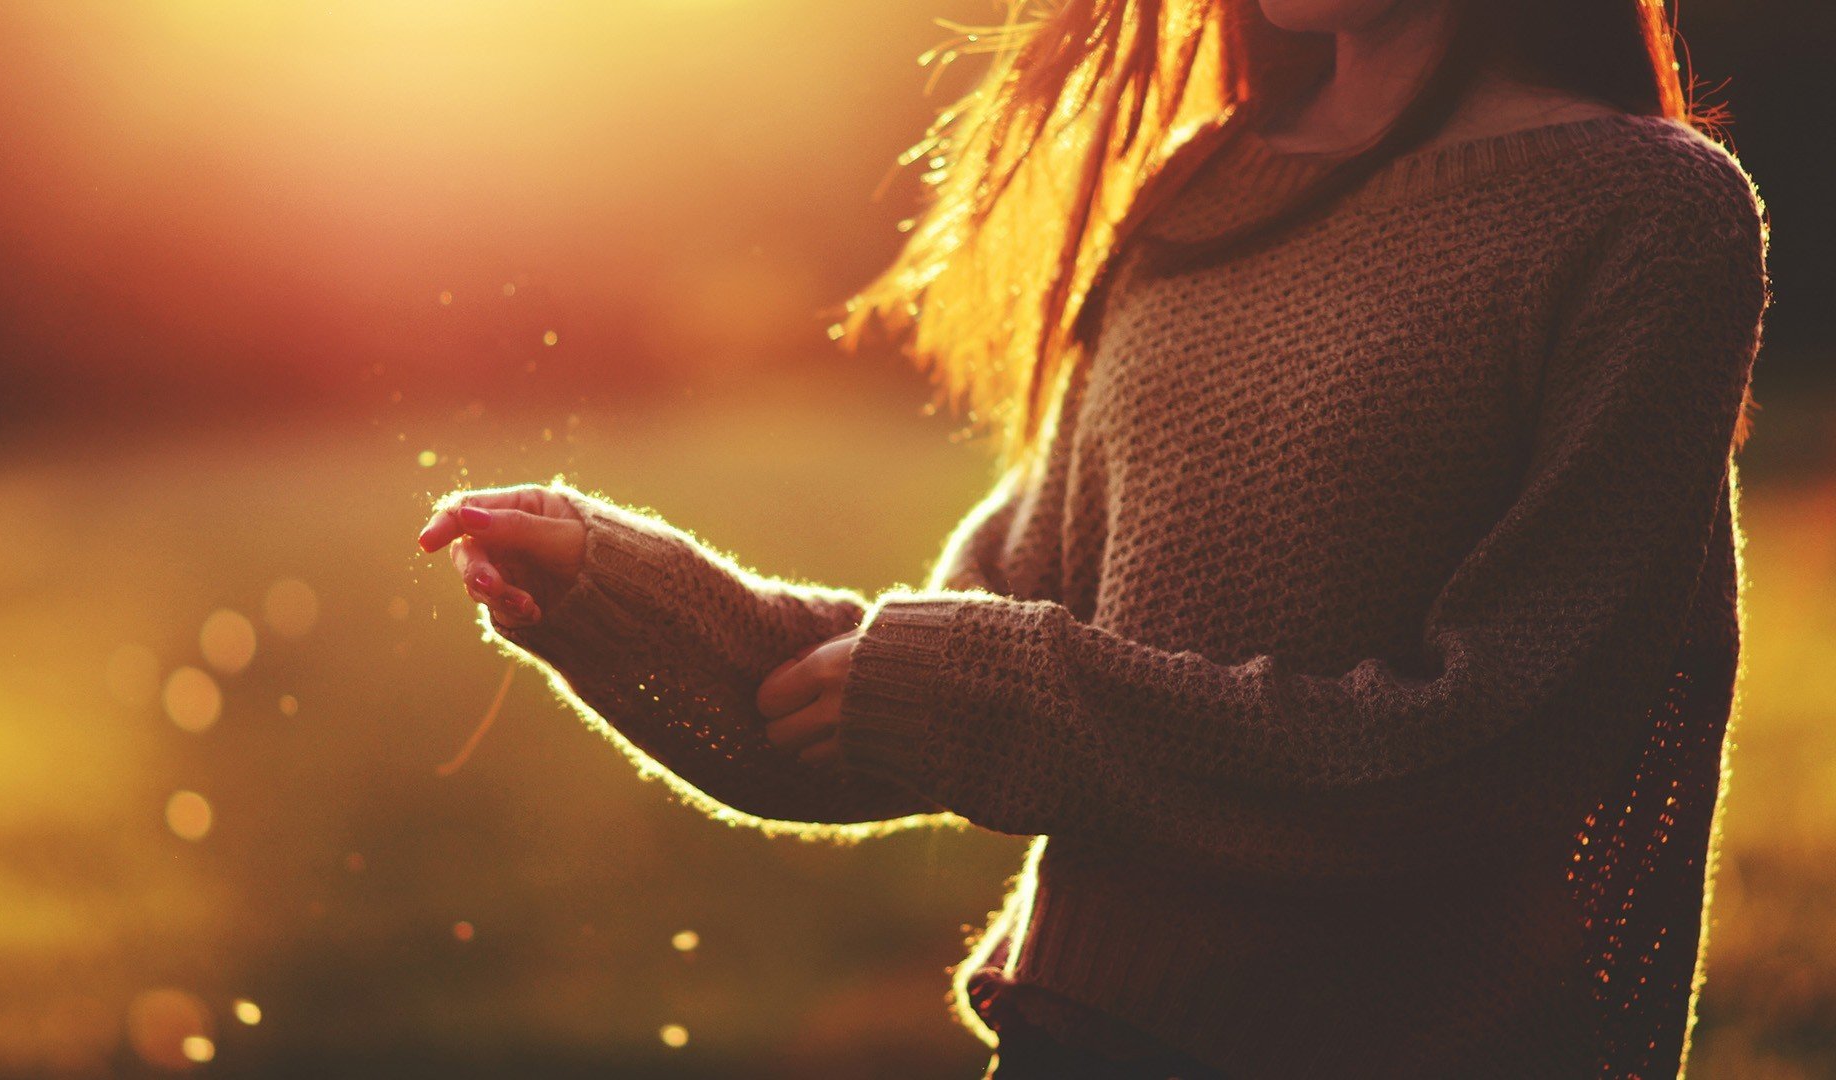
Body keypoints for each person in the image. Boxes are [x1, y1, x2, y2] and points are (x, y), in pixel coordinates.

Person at [417, 1, 1770, 1075]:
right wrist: (617, 590)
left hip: (1411, 1044)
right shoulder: (1203, 186)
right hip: (1088, 1040)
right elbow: (925, 673)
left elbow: (1497, 748)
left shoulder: (1647, 215)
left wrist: (1000, 701)